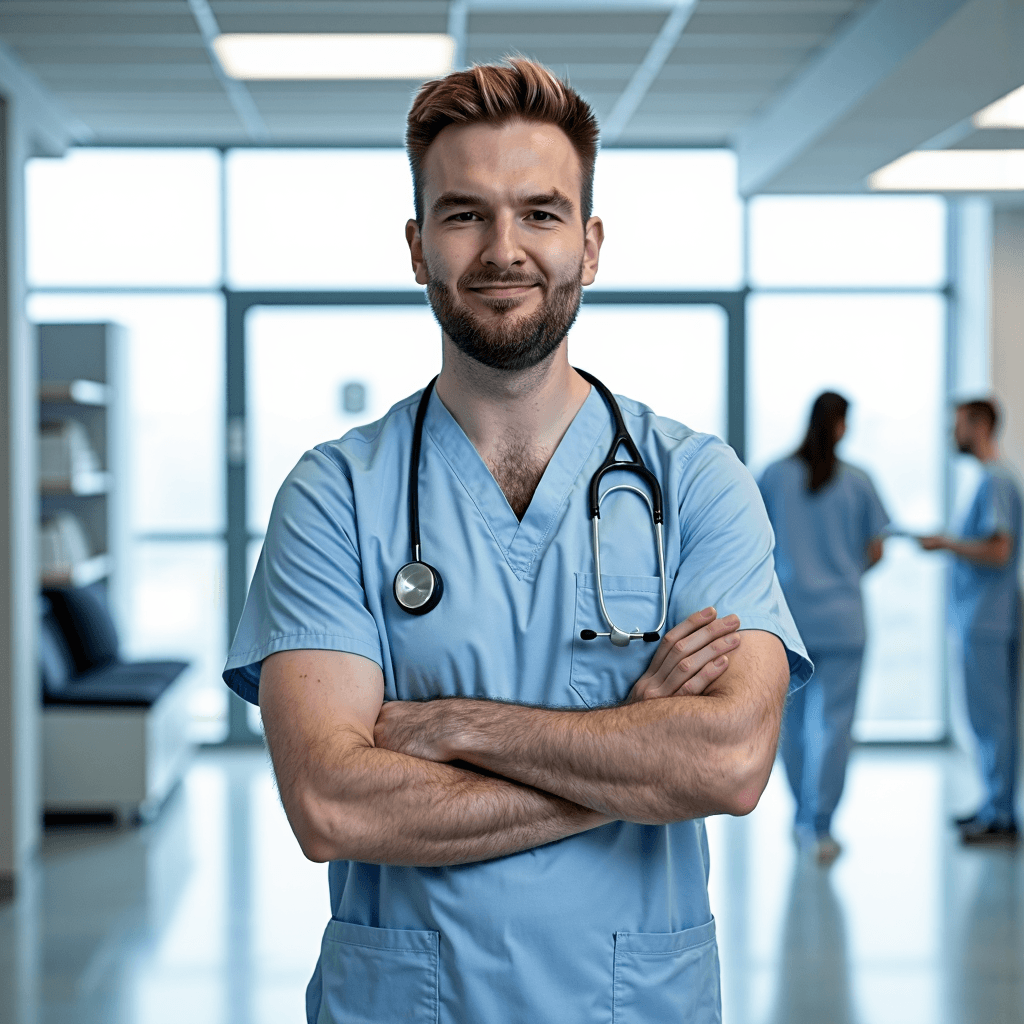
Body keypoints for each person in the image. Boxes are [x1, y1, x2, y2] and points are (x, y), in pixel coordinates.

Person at [224, 57, 811, 1023]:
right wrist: (632, 757)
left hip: (633, 1002)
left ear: (591, 243)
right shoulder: (334, 495)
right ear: (418, 248)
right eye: (465, 214)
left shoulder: (698, 483)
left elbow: (729, 763)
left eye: (541, 213)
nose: (505, 249)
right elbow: (333, 805)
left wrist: (454, 726)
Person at [758, 392, 889, 864]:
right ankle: (821, 823)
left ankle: (800, 816)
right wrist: (844, 571)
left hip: (788, 622)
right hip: (843, 621)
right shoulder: (858, 482)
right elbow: (876, 549)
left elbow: (754, 541)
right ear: (840, 427)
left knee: (790, 725)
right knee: (834, 727)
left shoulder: (774, 475)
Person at [919, 398, 1022, 845]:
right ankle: (991, 806)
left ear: (980, 425)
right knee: (985, 719)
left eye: (958, 425)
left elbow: (999, 551)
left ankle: (1000, 816)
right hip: (981, 618)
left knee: (992, 720)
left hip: (988, 620)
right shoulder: (988, 480)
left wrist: (948, 544)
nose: (952, 433)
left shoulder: (996, 481)